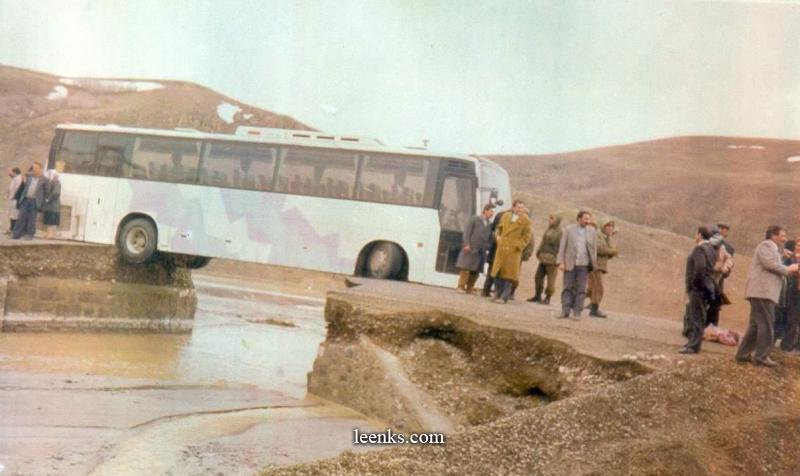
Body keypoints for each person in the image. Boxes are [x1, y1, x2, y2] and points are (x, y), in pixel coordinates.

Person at [735, 226, 799, 367]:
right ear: (773, 235)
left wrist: (782, 256)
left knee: (755, 326)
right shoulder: (765, 245)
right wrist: (789, 268)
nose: (785, 239)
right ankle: (762, 356)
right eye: (782, 236)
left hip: (761, 293)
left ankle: (743, 354)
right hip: (763, 292)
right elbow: (770, 264)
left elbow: (772, 262)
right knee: (767, 324)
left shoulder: (772, 249)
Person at [679, 226, 717, 354]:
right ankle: (692, 343)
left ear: (700, 235)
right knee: (699, 316)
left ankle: (693, 346)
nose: (695, 236)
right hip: (706, 287)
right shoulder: (711, 249)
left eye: (696, 233)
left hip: (698, 288)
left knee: (696, 317)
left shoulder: (700, 249)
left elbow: (699, 268)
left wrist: (693, 284)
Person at [556, 210, 597, 320]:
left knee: (581, 289)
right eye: (585, 218)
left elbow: (594, 249)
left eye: (589, 219)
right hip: (569, 263)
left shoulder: (592, 231)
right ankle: (565, 311)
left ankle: (577, 312)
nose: (588, 221)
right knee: (567, 288)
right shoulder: (569, 230)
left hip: (584, 265)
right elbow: (562, 247)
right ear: (579, 219)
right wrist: (561, 262)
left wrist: (593, 263)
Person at [490, 200, 531, 303]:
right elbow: (499, 228)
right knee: (498, 272)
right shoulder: (506, 216)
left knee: (509, 275)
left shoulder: (525, 220)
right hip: (502, 248)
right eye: (518, 207)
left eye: (522, 207)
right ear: (513, 207)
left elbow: (527, 236)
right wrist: (498, 237)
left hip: (513, 251)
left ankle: (504, 297)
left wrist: (518, 245)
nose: (520, 209)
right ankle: (497, 293)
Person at [455, 204, 495, 294]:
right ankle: (461, 286)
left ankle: (470, 288)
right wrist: (466, 244)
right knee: (466, 268)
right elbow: (467, 233)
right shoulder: (475, 219)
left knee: (476, 270)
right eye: (491, 211)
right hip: (471, 247)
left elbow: (490, 238)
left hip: (481, 250)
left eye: (493, 212)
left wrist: (487, 246)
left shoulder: (490, 224)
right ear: (485, 210)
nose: (492, 214)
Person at [528, 214, 562, 305]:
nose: (550, 220)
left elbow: (561, 247)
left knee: (551, 280)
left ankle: (548, 297)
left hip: (553, 260)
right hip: (543, 258)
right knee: (538, 277)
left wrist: (558, 259)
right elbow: (543, 241)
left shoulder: (560, 232)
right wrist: (539, 251)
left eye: (552, 219)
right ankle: (537, 295)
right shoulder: (549, 229)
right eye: (550, 218)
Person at [587, 220, 618, 318]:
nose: (610, 228)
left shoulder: (607, 238)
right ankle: (594, 309)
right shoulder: (597, 235)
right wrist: (612, 251)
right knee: (598, 288)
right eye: (608, 225)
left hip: (600, 265)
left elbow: (609, 254)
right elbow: (599, 249)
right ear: (603, 227)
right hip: (595, 265)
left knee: (592, 288)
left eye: (612, 226)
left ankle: (590, 306)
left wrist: (611, 251)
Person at [12, 162, 48, 240]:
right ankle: (16, 234)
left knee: (32, 219)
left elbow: (46, 192)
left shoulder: (44, 179)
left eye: (36, 168)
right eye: (33, 168)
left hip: (35, 201)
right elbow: (23, 176)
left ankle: (29, 235)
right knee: (21, 217)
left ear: (40, 169)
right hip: (26, 199)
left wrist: (42, 203)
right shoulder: (29, 176)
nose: (34, 169)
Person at [780, 243, 800, 352]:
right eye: (798, 245)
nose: (798, 248)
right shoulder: (789, 259)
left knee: (794, 319)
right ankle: (785, 345)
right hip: (790, 292)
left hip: (796, 292)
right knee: (789, 318)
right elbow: (781, 269)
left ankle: (791, 346)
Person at [42, 170, 61, 239]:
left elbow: (56, 193)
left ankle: (51, 234)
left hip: (53, 205)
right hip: (49, 205)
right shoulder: (51, 182)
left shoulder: (57, 183)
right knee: (48, 219)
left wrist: (48, 199)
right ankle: (48, 233)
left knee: (52, 220)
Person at [6, 167, 22, 234]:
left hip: (15, 199)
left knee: (14, 215)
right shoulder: (14, 179)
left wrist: (13, 196)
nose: (9, 173)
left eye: (11, 172)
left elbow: (17, 189)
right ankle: (11, 228)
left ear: (15, 172)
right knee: (11, 214)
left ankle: (13, 229)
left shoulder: (18, 179)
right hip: (12, 199)